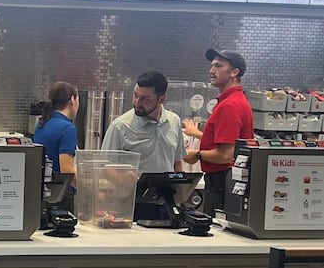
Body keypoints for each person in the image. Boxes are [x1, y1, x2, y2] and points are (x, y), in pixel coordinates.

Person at [184, 49, 255, 216]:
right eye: (211, 66)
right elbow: (228, 142)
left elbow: (226, 155)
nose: (211, 70)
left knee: (215, 229)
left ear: (234, 72)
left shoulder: (229, 106)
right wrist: (197, 134)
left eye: (218, 66)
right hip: (227, 179)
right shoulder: (236, 100)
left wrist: (197, 154)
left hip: (221, 181)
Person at [101, 71, 184, 173]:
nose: (137, 102)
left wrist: (181, 187)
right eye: (135, 95)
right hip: (134, 188)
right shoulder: (120, 126)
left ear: (161, 99)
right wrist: (130, 181)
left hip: (167, 188)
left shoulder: (174, 121)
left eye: (145, 99)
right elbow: (105, 168)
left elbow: (177, 163)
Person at [34, 81, 79, 177]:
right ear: (72, 100)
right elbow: (67, 172)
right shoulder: (67, 128)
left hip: (43, 187)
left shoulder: (42, 122)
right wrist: (91, 186)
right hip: (60, 189)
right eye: (78, 100)